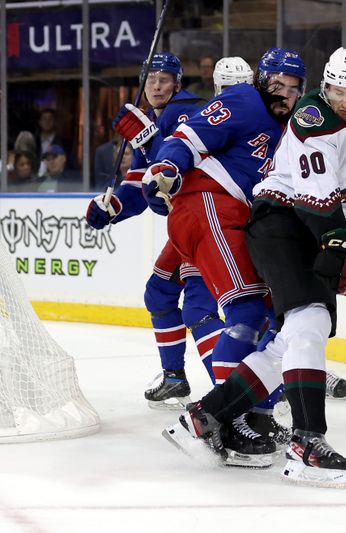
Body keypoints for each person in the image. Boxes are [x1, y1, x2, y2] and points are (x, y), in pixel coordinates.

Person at [161, 47, 346, 487]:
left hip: (308, 222)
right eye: (335, 90)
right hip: (282, 220)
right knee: (309, 320)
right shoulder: (313, 120)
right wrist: (338, 241)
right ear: (324, 86)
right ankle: (307, 444)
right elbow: (317, 201)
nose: (344, 101)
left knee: (290, 340)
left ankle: (204, 417)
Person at [84, 53, 217, 411]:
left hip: (208, 222)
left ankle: (237, 391)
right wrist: (110, 209)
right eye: (150, 79)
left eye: (164, 79)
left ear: (178, 83)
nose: (156, 86)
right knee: (159, 294)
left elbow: (178, 169)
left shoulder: (189, 110)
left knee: (201, 310)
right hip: (185, 228)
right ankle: (174, 377)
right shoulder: (151, 120)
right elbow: (139, 187)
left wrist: (145, 138)